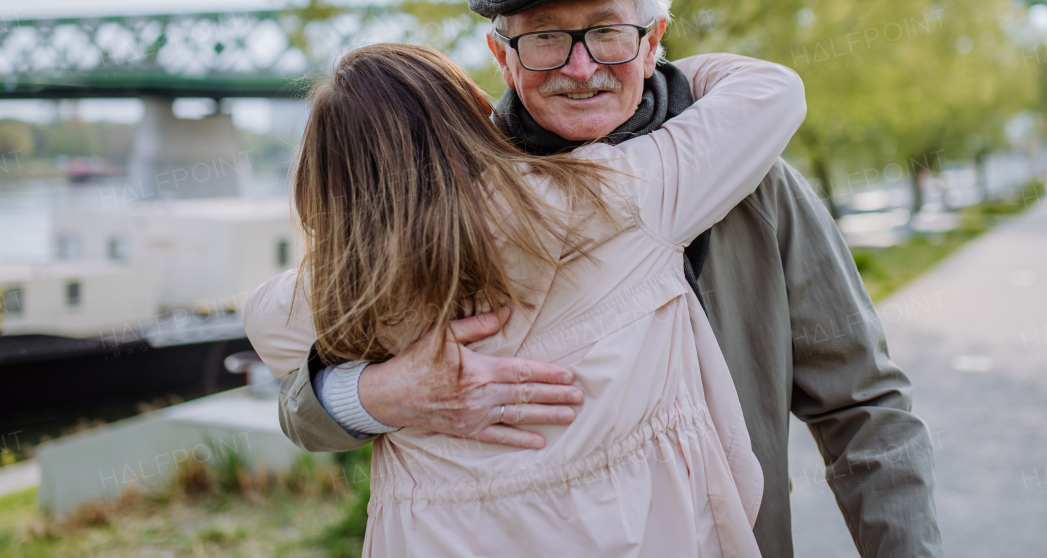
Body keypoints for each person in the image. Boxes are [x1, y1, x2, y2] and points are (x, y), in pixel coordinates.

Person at [248, 0, 943, 557]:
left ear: (654, 39)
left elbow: (862, 405)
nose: (582, 69)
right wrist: (377, 394)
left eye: (610, 33)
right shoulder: (437, 210)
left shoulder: (756, 183)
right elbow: (299, 398)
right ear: (503, 55)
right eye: (547, 38)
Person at [248, 40, 806, 556]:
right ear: (474, 103)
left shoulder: (351, 293)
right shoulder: (603, 192)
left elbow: (264, 321)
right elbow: (771, 93)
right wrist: (659, 61)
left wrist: (370, 390)